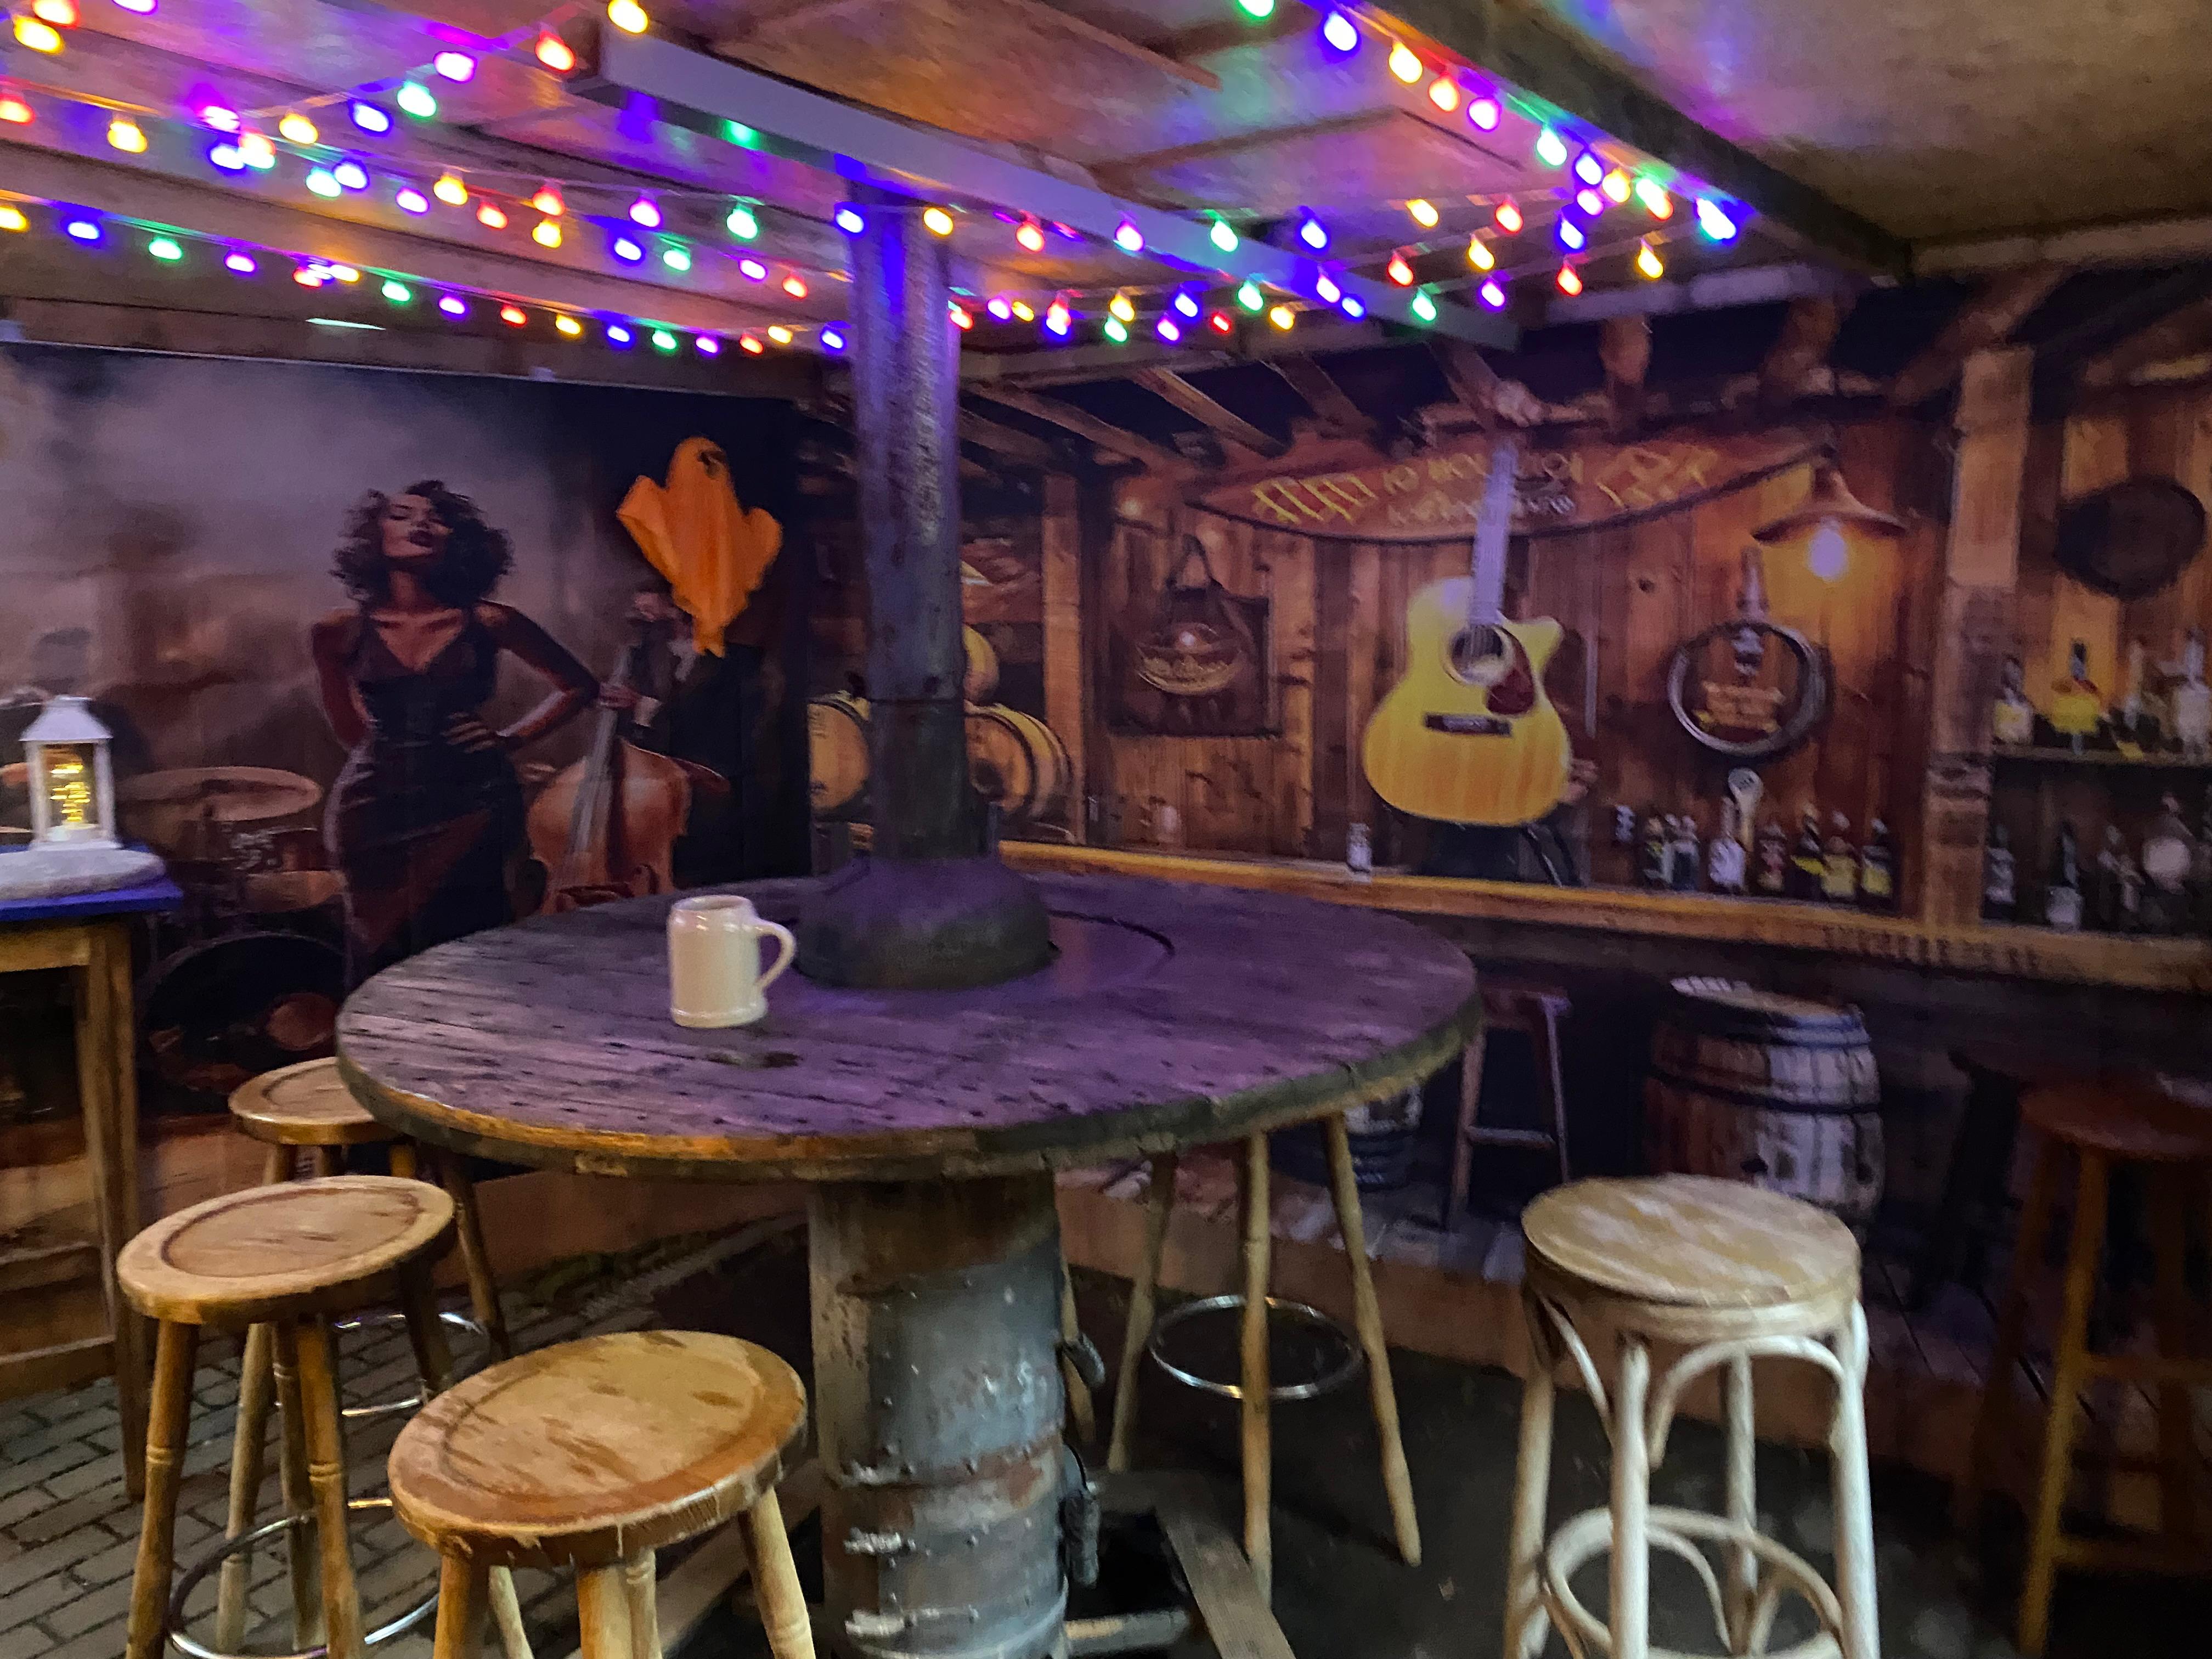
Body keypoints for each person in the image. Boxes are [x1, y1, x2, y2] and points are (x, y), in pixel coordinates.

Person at [310, 482, 596, 983]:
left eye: (437, 517)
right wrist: (391, 762)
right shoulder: (337, 630)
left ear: (456, 541)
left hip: (474, 801)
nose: (421, 523)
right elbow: (348, 729)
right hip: (374, 812)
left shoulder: (490, 621)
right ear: (375, 535)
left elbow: (579, 686)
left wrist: (510, 740)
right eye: (402, 514)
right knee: (377, 945)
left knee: (474, 940)